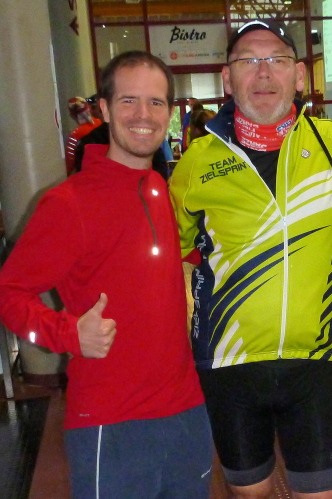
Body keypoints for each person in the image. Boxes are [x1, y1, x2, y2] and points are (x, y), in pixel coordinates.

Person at [0, 50, 212, 498]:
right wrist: (68, 333)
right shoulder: (68, 203)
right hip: (110, 425)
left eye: (156, 102)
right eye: (128, 100)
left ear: (169, 113)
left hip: (186, 415)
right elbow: (9, 293)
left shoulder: (159, 188)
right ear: (104, 109)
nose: (143, 115)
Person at [169, 19, 332, 499]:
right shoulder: (198, 161)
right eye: (248, 60)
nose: (263, 72)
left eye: (277, 59)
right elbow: (169, 250)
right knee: (250, 493)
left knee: (323, 494)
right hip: (227, 365)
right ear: (227, 79)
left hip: (311, 361)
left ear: (299, 75)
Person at [64, 96, 102, 175]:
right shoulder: (101, 124)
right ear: (89, 109)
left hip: (88, 174)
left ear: (73, 115)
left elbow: (70, 163)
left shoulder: (75, 135)